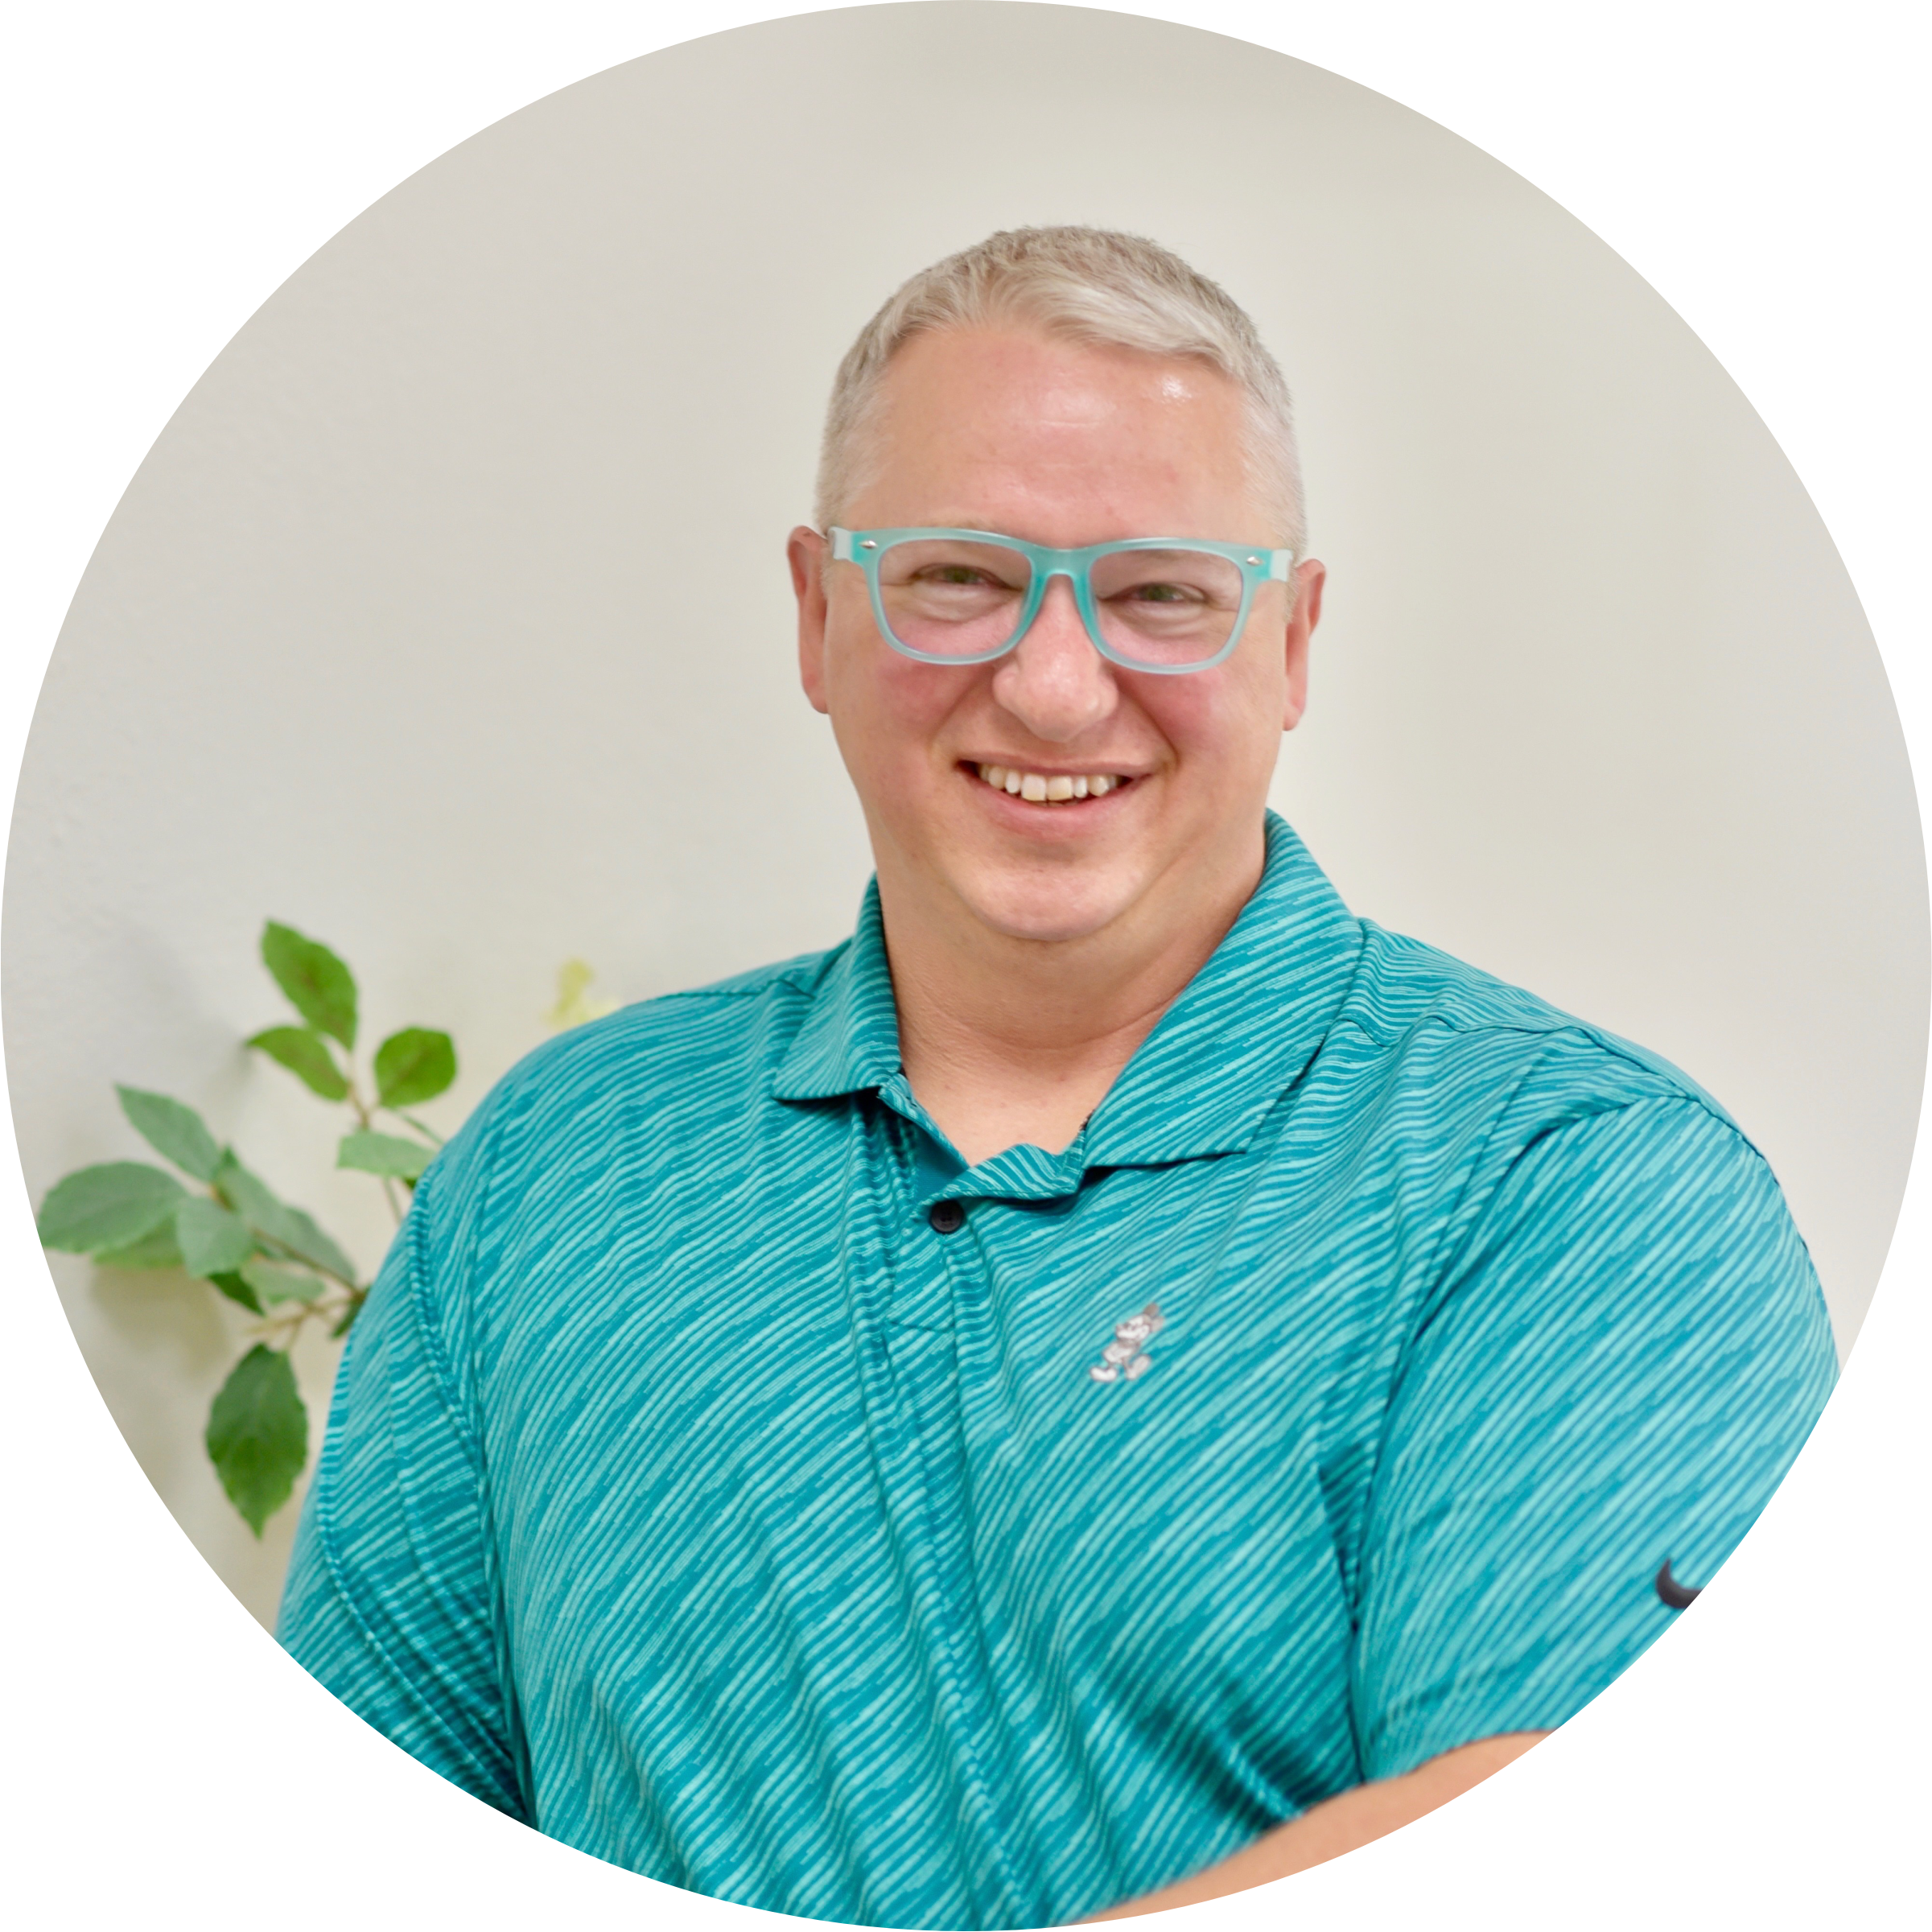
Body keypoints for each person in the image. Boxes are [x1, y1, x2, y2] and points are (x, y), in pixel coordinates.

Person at [278, 227, 1836, 1926]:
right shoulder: (552, 1178)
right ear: (817, 614)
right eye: (957, 577)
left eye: (1163, 593)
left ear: (1294, 644)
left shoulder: (1572, 1187)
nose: (1053, 681)